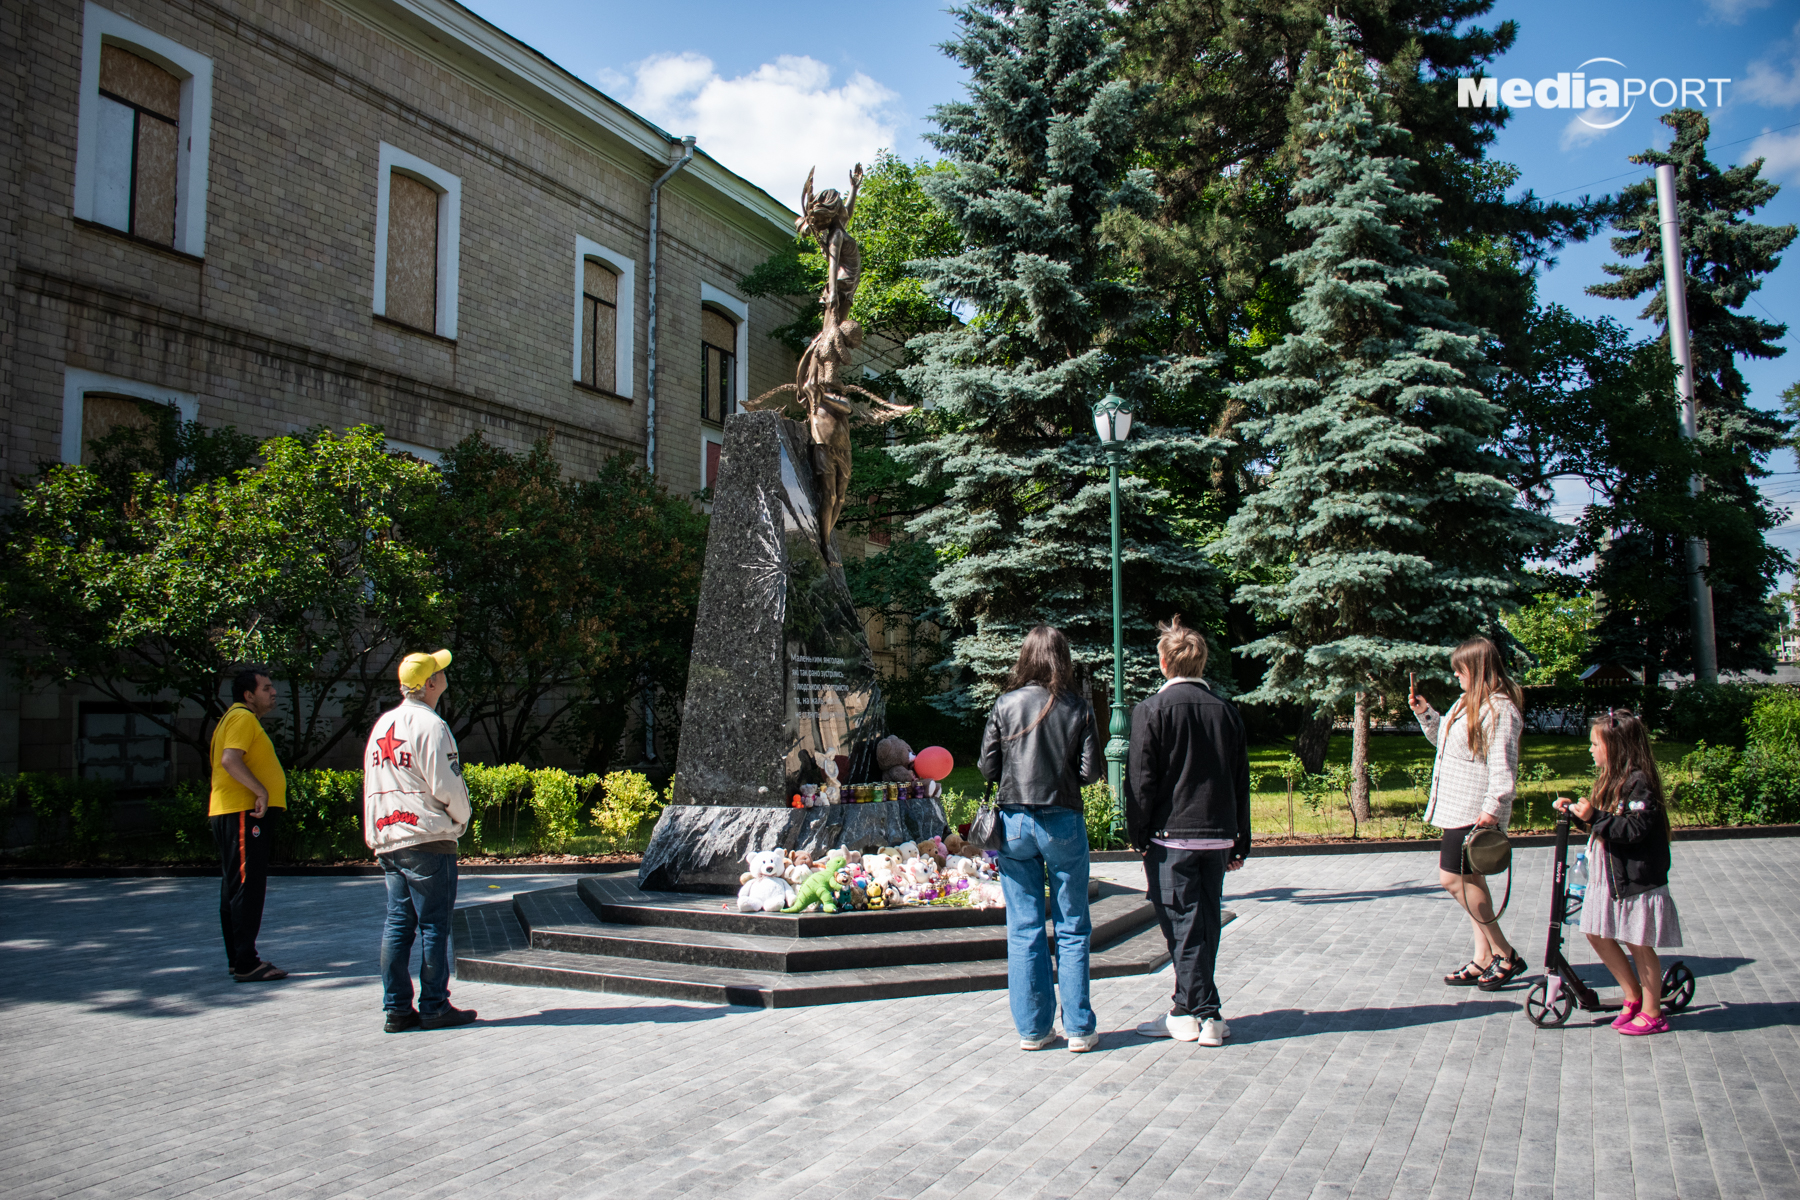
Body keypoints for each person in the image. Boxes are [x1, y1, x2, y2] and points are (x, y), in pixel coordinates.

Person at [977, 625, 1104, 1052]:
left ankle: (1033, 1030)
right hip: (1062, 818)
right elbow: (1090, 772)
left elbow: (987, 768)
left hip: (1014, 822)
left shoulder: (1005, 704)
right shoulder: (1077, 707)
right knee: (1072, 926)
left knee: (1024, 927)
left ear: (1026, 657)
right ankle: (1079, 1029)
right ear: (1062, 659)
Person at [1126, 616, 1250, 1048]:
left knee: (1181, 926)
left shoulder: (1152, 710)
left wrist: (1138, 834)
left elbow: (1141, 780)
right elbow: (1240, 780)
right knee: (1204, 924)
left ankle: (1205, 1012)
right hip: (1217, 835)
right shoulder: (1226, 712)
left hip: (1170, 836)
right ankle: (1185, 1009)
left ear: (1164, 663)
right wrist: (1240, 839)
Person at [363, 650, 475, 1033]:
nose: (444, 674)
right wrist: (461, 819)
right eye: (439, 671)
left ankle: (396, 1009)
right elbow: (447, 784)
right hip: (427, 837)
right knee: (434, 925)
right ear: (430, 683)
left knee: (398, 923)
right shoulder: (432, 725)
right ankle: (434, 1006)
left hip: (389, 838)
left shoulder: (383, 725)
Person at [1409, 636, 1528, 991]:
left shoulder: (1500, 710)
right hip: (1457, 808)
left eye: (1460, 670)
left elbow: (1504, 766)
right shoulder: (1466, 702)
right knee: (1471, 883)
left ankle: (1505, 953)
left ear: (1477, 669)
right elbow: (1447, 745)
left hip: (1476, 812)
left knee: (1453, 880)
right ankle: (1483, 957)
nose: (1456, 676)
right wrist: (1426, 714)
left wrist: (1492, 810)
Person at [1555, 711, 1682, 1036]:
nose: (1591, 749)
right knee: (1595, 932)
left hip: (1634, 880)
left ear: (1616, 747)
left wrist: (1595, 816)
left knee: (1638, 942)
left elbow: (1633, 829)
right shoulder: (1611, 780)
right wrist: (1580, 815)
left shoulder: (1639, 782)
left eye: (1595, 744)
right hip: (1609, 879)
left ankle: (1653, 1013)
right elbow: (1607, 826)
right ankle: (1633, 995)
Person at [209, 667, 288, 983]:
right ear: (248, 695)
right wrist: (260, 791)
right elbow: (230, 759)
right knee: (247, 885)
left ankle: (238, 959)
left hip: (237, 812)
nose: (273, 692)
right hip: (244, 812)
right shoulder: (242, 717)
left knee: (235, 885)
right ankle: (246, 963)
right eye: (266, 688)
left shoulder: (237, 717)